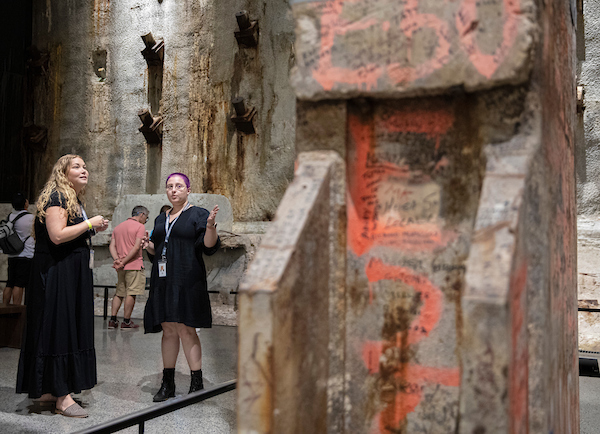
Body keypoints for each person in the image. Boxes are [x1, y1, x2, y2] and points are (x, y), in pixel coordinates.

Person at [16, 154, 109, 418]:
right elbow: (57, 236)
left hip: (70, 272)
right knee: (60, 328)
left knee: (61, 327)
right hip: (58, 275)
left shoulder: (72, 199)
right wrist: (90, 223)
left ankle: (49, 388)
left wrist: (90, 228)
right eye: (76, 166)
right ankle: (62, 396)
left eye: (85, 166)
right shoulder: (57, 196)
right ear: (62, 172)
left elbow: (67, 233)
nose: (84, 170)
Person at [144, 172, 220, 402]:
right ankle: (168, 384)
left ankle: (196, 383)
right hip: (164, 280)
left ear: (188, 190)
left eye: (179, 186)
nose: (174, 190)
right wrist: (148, 246)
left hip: (188, 279)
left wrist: (210, 227)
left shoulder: (198, 214)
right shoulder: (161, 218)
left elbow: (208, 246)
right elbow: (159, 249)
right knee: (168, 330)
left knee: (186, 329)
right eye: (170, 186)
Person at [108, 205, 149, 330]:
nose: (145, 220)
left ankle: (113, 320)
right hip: (134, 265)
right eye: (146, 217)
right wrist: (124, 261)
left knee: (119, 293)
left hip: (120, 267)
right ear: (141, 214)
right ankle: (126, 321)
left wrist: (117, 261)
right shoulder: (140, 227)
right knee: (131, 293)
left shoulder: (118, 227)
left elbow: (112, 246)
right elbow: (137, 247)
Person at [2, 192, 34, 305]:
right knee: (19, 284)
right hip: (25, 254)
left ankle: (5, 306)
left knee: (9, 283)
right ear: (25, 203)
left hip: (12, 254)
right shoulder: (30, 218)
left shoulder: (10, 217)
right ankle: (17, 308)